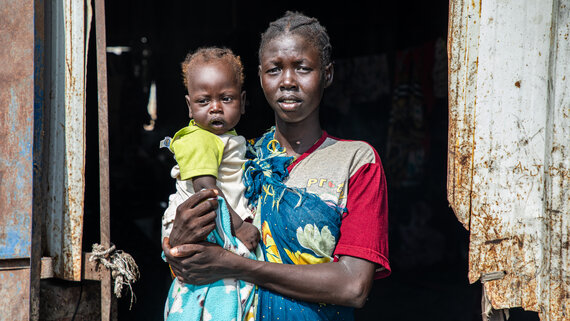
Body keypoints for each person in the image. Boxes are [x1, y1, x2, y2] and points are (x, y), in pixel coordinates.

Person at [162, 11, 390, 320]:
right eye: (274, 70)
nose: (287, 81)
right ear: (259, 78)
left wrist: (238, 266)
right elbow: (190, 258)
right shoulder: (239, 160)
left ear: (328, 74)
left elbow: (353, 286)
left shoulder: (356, 162)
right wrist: (177, 241)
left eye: (303, 68)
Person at [160, 47, 260, 321]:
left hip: (221, 218)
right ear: (189, 105)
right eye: (204, 101)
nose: (215, 107)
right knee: (214, 286)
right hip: (209, 220)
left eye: (226, 98)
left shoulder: (227, 137)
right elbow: (207, 192)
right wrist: (239, 226)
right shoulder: (199, 139)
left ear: (242, 100)